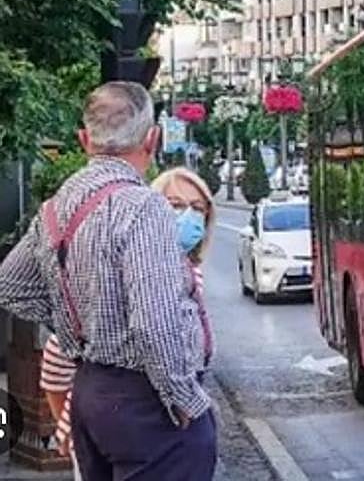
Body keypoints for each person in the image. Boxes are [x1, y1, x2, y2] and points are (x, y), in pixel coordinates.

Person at [0, 82, 215, 481]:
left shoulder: (55, 207)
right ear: (153, 139)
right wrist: (184, 397)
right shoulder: (144, 206)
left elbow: (10, 284)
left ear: (84, 139)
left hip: (90, 393)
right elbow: (155, 321)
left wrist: (77, 318)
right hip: (147, 403)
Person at [39, 167, 216, 474]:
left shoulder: (187, 270)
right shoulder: (132, 270)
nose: (187, 216)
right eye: (173, 205)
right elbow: (58, 355)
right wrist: (67, 423)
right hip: (138, 422)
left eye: (198, 208)